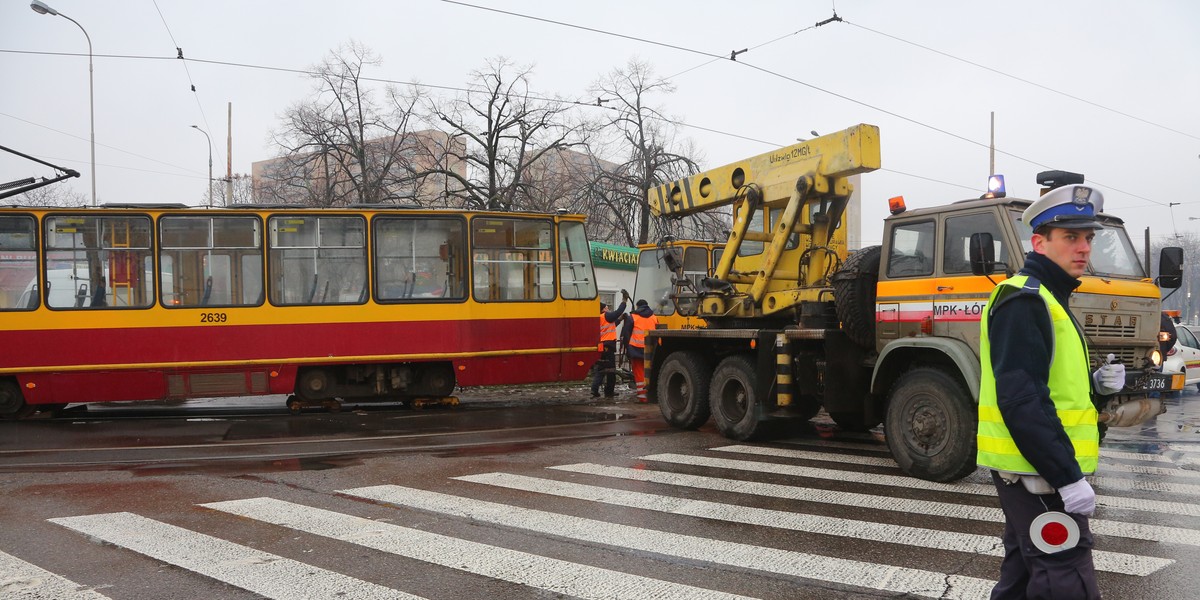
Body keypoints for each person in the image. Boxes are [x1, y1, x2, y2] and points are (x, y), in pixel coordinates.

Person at [977, 183, 1125, 599]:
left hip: (1036, 468)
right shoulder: (1026, 301)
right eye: (1071, 237)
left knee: (1023, 575)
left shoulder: (1049, 298)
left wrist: (1096, 389)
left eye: (1089, 238)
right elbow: (1021, 398)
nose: (1083, 248)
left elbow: (1052, 387)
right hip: (1037, 472)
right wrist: (1067, 478)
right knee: (1065, 577)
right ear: (1039, 242)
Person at [591, 291, 629, 398]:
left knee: (601, 368)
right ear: (603, 309)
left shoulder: (600, 318)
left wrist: (620, 320)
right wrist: (624, 301)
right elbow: (617, 312)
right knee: (611, 370)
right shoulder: (605, 315)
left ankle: (594, 389)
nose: (608, 309)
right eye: (607, 308)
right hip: (608, 347)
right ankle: (609, 391)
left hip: (602, 346)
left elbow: (611, 325)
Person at [627, 298, 659, 403]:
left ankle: (642, 397)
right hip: (651, 349)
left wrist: (627, 350)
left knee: (639, 372)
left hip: (635, 349)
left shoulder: (633, 317)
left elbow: (626, 334)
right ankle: (651, 395)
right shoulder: (654, 317)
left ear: (637, 306)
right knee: (650, 372)